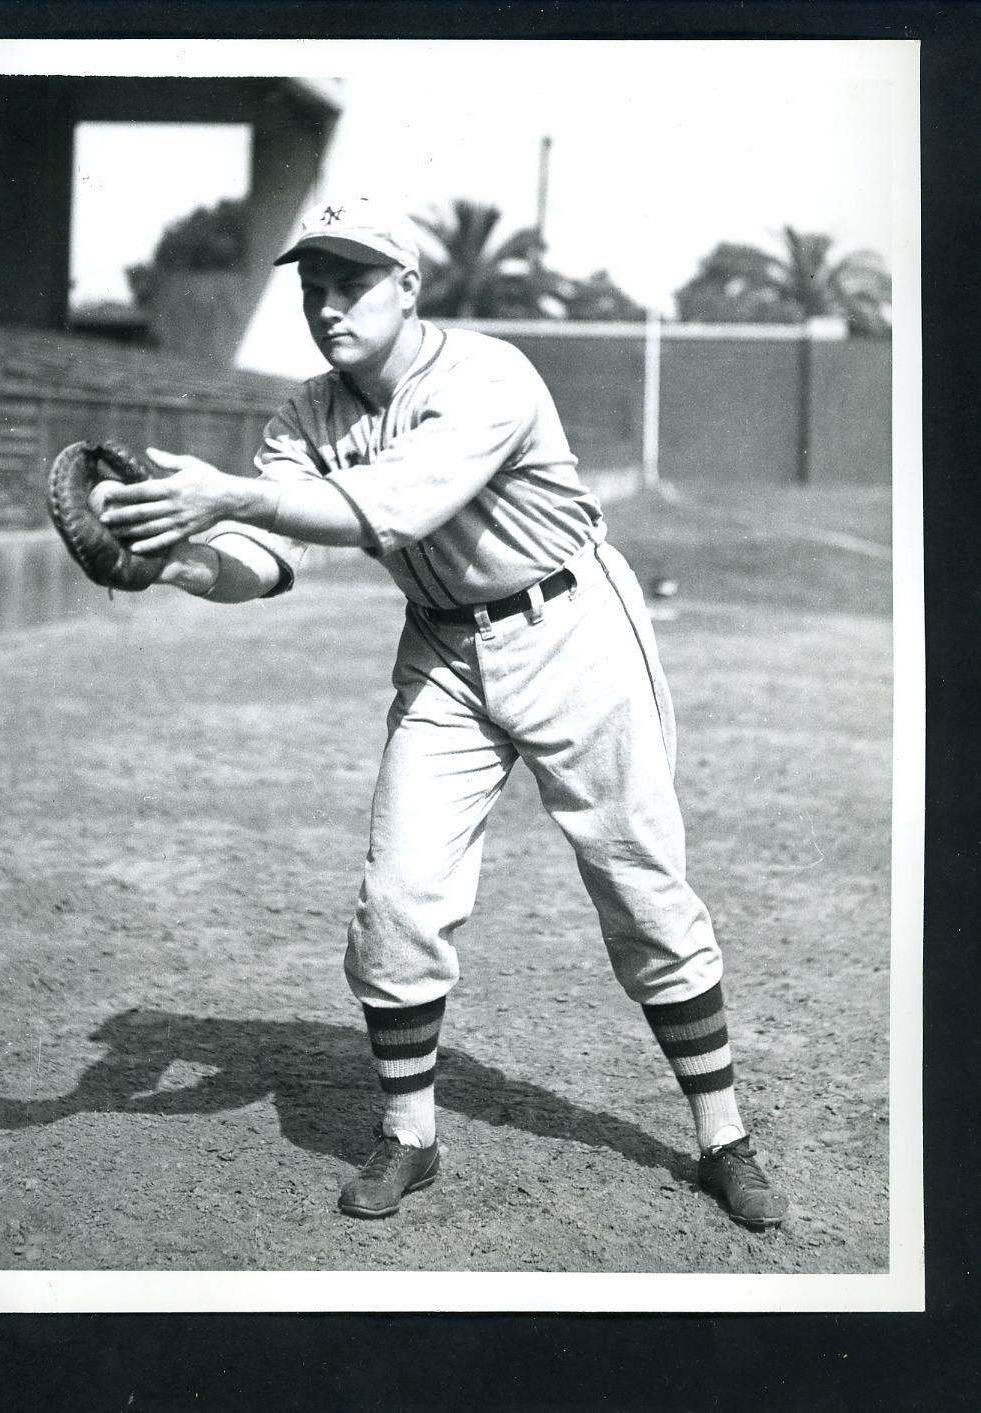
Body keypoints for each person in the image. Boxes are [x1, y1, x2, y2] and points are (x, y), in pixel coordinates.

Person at [100, 194, 788, 1230]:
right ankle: (410, 1137)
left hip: (570, 625)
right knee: (398, 901)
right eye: (313, 285)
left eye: (353, 282)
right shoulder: (306, 415)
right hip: (444, 647)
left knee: (640, 883)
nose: (329, 305)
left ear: (409, 287)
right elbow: (264, 560)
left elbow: (399, 507)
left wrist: (230, 496)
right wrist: (171, 562)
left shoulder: (486, 375)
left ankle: (722, 1137)